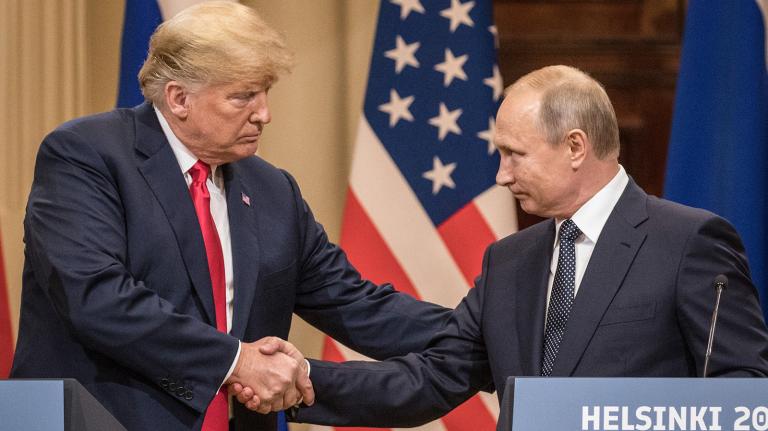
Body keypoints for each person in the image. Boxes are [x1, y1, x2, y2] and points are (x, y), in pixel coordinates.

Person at [10, 2, 450, 431]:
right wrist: (237, 361)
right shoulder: (87, 155)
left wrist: (481, 333)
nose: (264, 114)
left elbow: (354, 303)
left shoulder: (273, 189)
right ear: (179, 98)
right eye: (244, 96)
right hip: (103, 416)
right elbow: (97, 297)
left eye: (265, 93)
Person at [283, 65, 768, 428]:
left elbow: (742, 391)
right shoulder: (509, 260)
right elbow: (432, 378)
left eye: (514, 154)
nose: (501, 175)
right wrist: (295, 380)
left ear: (575, 147)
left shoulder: (688, 242)